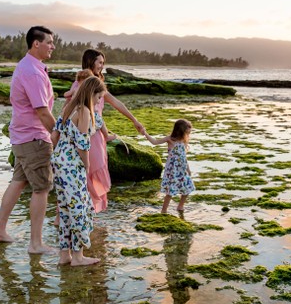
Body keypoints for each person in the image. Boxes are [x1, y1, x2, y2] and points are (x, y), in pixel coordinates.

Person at [0, 25, 57, 252]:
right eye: (49, 42)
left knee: (18, 182)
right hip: (33, 138)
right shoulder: (32, 72)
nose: (52, 46)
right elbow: (42, 111)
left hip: (22, 136)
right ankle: (36, 243)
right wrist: (59, 136)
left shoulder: (29, 66)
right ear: (36, 43)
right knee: (42, 188)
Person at [64, 49, 145, 212]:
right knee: (88, 170)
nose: (102, 66)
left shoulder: (97, 84)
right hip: (86, 133)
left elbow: (116, 103)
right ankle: (83, 209)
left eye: (103, 63)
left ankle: (89, 210)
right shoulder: (81, 84)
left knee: (97, 167)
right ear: (90, 62)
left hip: (98, 134)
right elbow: (69, 108)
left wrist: (134, 120)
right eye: (99, 62)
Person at [51, 75, 105, 266]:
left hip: (59, 162)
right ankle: (78, 256)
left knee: (65, 209)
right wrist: (87, 166)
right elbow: (83, 144)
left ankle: (64, 255)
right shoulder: (83, 112)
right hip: (73, 166)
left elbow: (54, 135)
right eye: (99, 97)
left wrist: (59, 155)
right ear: (92, 94)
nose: (99, 101)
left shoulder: (68, 107)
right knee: (79, 209)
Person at [144, 119, 195, 214]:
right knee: (170, 191)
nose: (189, 131)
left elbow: (184, 157)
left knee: (188, 187)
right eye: (188, 129)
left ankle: (180, 206)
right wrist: (145, 134)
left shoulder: (184, 141)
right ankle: (164, 210)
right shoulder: (170, 139)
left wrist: (188, 169)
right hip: (172, 170)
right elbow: (154, 142)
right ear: (181, 129)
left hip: (182, 169)